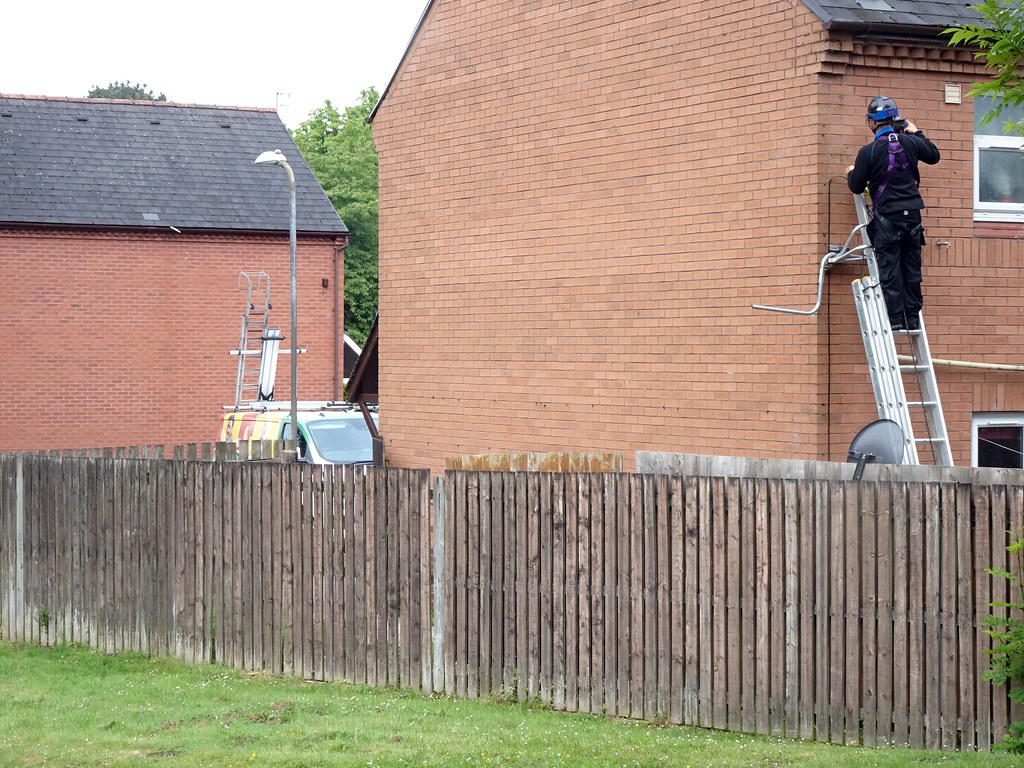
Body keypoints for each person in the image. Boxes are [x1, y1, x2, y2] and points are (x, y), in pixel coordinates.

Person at [846, 95, 940, 331]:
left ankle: (896, 319)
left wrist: (851, 172)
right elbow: (934, 155)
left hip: (888, 217)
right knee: (911, 267)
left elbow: (856, 186)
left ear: (871, 122)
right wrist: (916, 132)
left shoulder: (868, 151)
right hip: (913, 216)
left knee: (890, 266)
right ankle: (912, 317)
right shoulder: (911, 142)